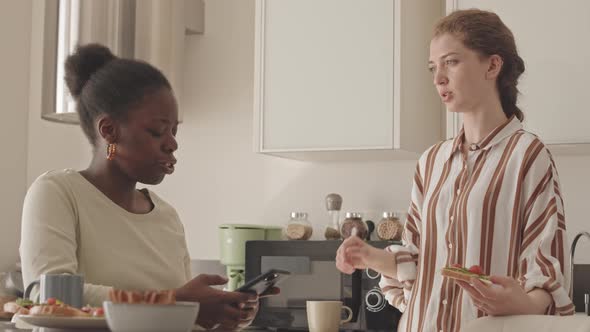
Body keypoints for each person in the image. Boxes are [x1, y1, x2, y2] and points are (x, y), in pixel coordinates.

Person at [336, 9, 573, 332]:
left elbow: (546, 267)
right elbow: (417, 262)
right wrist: (370, 256)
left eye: (451, 62)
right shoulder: (431, 161)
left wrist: (521, 303)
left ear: (492, 65)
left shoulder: (527, 155)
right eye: (433, 67)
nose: (438, 78)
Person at [20, 44, 275, 330]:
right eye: (157, 131)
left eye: (174, 131)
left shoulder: (167, 216)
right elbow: (51, 296)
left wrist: (226, 317)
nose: (172, 143)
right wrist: (175, 301)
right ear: (109, 131)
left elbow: (175, 322)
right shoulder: (58, 192)